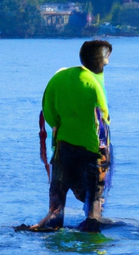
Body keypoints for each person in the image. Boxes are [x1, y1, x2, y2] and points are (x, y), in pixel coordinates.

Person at [34, 39, 113, 232]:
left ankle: (53, 224)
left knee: (57, 201)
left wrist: (63, 127)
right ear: (100, 61)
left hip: (63, 149)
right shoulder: (94, 83)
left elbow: (48, 111)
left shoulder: (59, 77)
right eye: (106, 59)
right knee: (93, 205)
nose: (108, 63)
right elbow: (104, 118)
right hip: (91, 151)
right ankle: (91, 224)